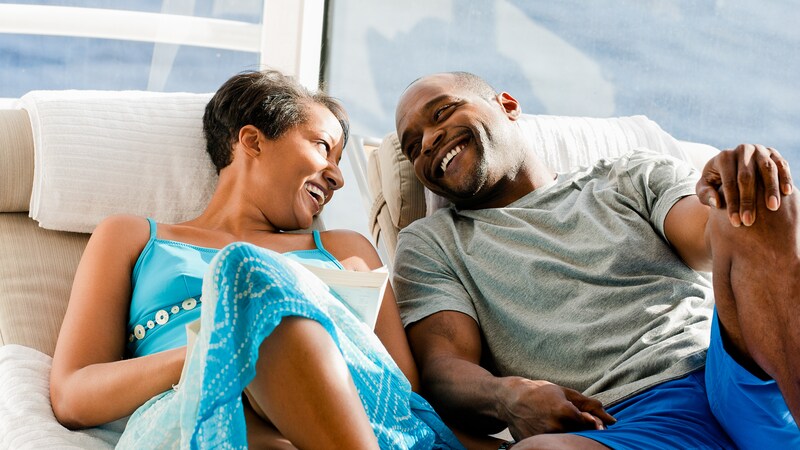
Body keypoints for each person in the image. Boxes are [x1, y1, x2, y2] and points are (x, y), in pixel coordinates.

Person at [49, 69, 465, 449]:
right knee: (245, 275)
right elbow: (73, 396)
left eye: (338, 162)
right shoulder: (132, 236)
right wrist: (225, 345)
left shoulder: (345, 248)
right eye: (322, 147)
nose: (337, 176)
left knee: (249, 276)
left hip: (348, 418)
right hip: (190, 417)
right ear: (251, 140)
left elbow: (401, 391)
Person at [392, 71, 800, 449]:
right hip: (625, 423)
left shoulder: (629, 176)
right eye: (414, 147)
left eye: (442, 112)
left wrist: (734, 187)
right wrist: (509, 395)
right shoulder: (433, 243)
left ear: (508, 106)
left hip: (735, 374)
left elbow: (712, 237)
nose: (428, 142)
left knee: (761, 206)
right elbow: (444, 367)